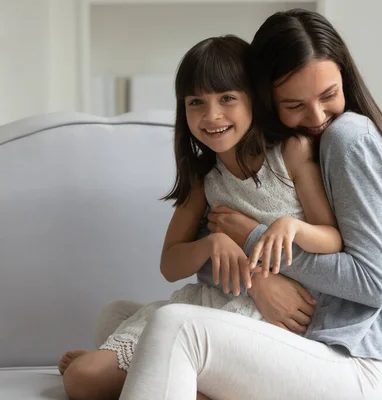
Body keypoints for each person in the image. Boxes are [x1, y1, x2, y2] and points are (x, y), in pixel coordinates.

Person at [118, 8, 382, 400]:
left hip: (362, 356)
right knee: (121, 319)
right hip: (315, 342)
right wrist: (258, 281)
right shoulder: (271, 160)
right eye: (294, 105)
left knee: (174, 327)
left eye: (329, 95)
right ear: (267, 101)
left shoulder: (348, 138)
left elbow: (372, 283)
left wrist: (251, 238)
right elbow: (210, 243)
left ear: (346, 80)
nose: (317, 116)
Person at [59, 34, 343, 400]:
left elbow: (333, 238)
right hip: (215, 306)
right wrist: (212, 243)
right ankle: (137, 372)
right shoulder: (203, 179)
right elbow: (170, 264)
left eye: (227, 99)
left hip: (275, 321)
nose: (212, 116)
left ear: (253, 99)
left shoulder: (290, 152)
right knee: (94, 354)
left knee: (85, 378)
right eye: (197, 102)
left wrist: (291, 226)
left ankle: (129, 373)